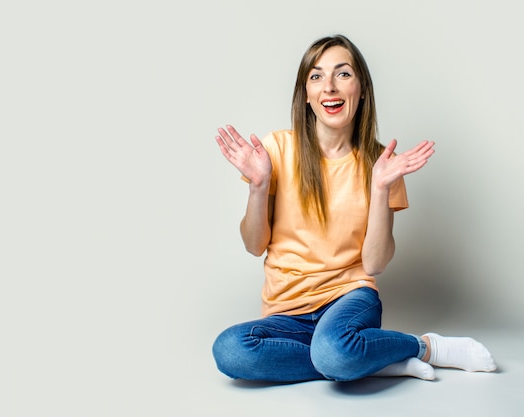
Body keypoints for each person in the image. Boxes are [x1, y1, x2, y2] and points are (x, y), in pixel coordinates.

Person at [212, 34, 497, 383]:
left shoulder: (381, 164)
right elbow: (255, 245)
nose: (329, 86)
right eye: (316, 76)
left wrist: (379, 187)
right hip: (286, 312)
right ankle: (369, 358)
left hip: (349, 300)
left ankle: (424, 347)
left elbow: (375, 263)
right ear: (306, 95)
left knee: (333, 349)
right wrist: (258, 186)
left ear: (361, 89)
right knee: (229, 350)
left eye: (342, 74)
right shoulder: (276, 150)